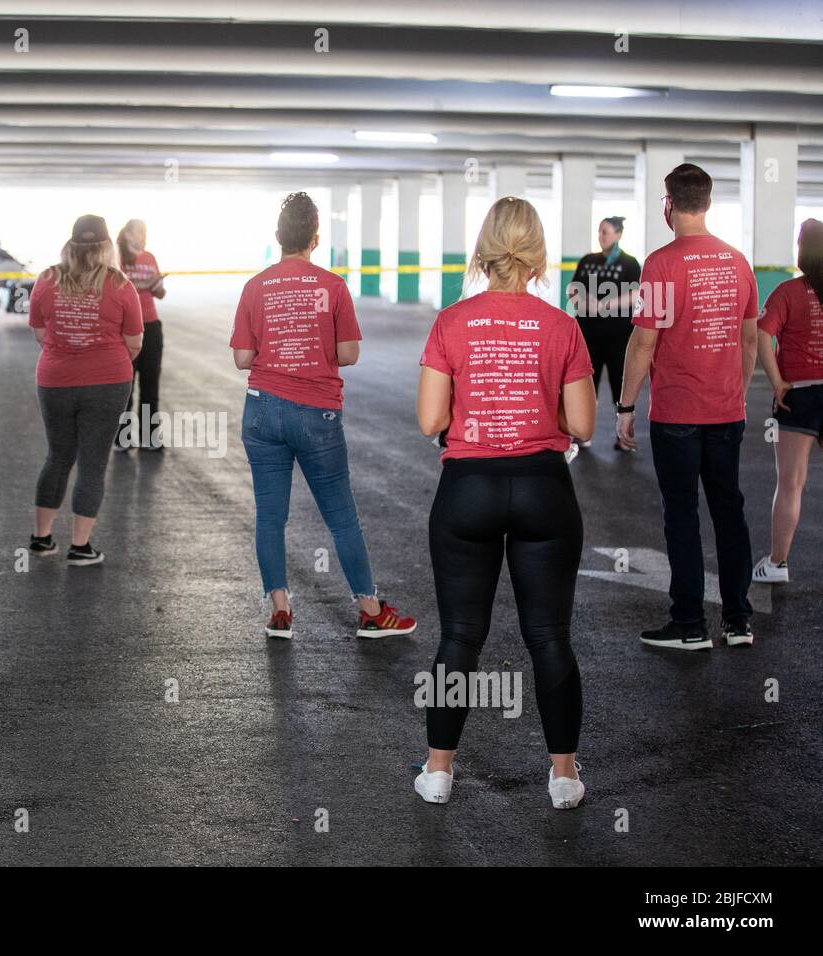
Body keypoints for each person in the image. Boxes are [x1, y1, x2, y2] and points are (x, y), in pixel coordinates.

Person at [414, 196, 596, 809]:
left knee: (461, 635)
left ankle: (438, 772)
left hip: (468, 489)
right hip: (545, 488)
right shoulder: (562, 326)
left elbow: (429, 419)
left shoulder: (451, 321)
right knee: (550, 636)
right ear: (537, 254)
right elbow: (583, 424)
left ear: (483, 252)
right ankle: (564, 778)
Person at [229, 192, 416, 641]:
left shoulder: (256, 286)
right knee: (341, 516)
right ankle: (370, 611)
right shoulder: (332, 286)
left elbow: (241, 356)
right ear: (315, 238)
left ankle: (280, 610)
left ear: (278, 237)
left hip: (262, 409)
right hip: (317, 415)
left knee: (270, 516)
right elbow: (349, 353)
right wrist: (314, 345)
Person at [617, 163, 759, 650]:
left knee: (681, 516)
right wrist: (736, 393)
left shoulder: (660, 262)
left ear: (669, 204)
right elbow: (748, 339)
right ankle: (739, 621)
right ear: (709, 203)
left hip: (677, 416)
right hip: (728, 414)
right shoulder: (739, 261)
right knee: (729, 512)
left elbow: (643, 343)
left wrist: (625, 405)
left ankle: (690, 625)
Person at [28, 214, 143, 566]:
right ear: (107, 246)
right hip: (107, 382)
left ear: (71, 244)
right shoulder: (121, 285)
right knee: (93, 462)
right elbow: (134, 343)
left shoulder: (47, 279)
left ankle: (42, 539)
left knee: (58, 456)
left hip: (56, 381)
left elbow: (39, 333)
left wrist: (68, 349)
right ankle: (80, 547)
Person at [752, 219, 823, 584]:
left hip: (802, 392)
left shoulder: (787, 292)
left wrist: (777, 382)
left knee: (791, 482)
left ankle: (777, 564)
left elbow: (762, 335)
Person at [567, 216, 642, 450]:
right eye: (599, 232)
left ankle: (625, 436)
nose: (601, 236)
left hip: (619, 336)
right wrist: (585, 301)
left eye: (606, 232)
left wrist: (604, 305)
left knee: (621, 385)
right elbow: (573, 290)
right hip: (588, 335)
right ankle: (584, 433)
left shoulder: (629, 263)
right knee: (588, 384)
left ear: (618, 234)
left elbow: (636, 293)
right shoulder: (588, 260)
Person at [115, 219, 167, 451]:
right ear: (127, 234)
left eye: (146, 231)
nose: (144, 235)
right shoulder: (118, 259)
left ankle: (149, 437)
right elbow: (120, 288)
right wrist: (145, 282)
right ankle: (122, 438)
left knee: (150, 384)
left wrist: (156, 285)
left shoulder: (150, 257)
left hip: (151, 326)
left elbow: (160, 294)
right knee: (126, 384)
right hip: (125, 329)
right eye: (140, 232)